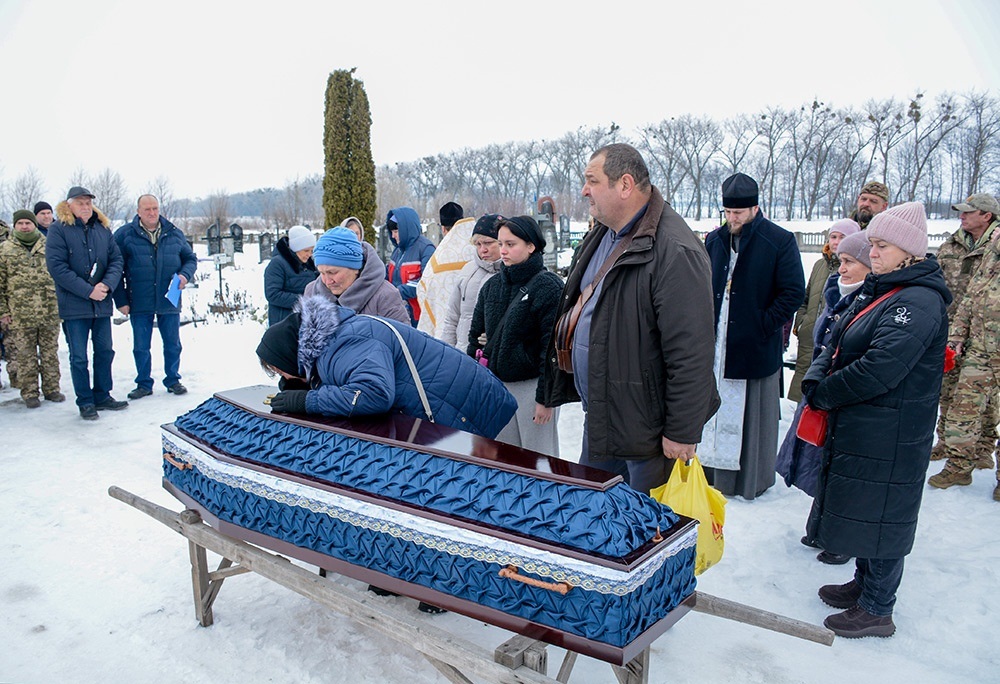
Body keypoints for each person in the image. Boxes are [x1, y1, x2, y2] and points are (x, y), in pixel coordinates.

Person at [802, 202, 949, 638]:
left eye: (882, 245)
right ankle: (865, 584)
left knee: (886, 513)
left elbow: (880, 368)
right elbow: (837, 333)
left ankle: (878, 608)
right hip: (870, 424)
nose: (874, 252)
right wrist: (817, 374)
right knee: (869, 507)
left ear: (907, 251)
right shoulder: (886, 288)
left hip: (894, 428)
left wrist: (825, 392)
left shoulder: (918, 299)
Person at [543, 143, 719, 494]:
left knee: (642, 535)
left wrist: (682, 431)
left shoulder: (674, 250)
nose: (583, 190)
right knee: (596, 518)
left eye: (591, 180)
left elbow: (691, 352)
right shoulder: (604, 234)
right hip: (606, 419)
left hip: (647, 436)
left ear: (625, 185)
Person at [256, 294, 517, 439]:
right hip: (463, 397)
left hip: (469, 406)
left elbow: (373, 394)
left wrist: (306, 401)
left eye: (280, 370)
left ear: (292, 354)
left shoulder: (344, 343)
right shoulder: (334, 338)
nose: (282, 377)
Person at [701, 173, 805, 499]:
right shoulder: (714, 240)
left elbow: (793, 292)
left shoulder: (779, 240)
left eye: (740, 213)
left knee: (748, 417)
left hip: (754, 345)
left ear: (756, 208)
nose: (733, 219)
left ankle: (748, 482)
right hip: (717, 346)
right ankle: (709, 473)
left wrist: (763, 323)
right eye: (729, 212)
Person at [776, 230, 872, 564]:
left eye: (849, 262)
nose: (841, 268)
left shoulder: (869, 302)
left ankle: (841, 539)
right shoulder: (839, 292)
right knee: (818, 463)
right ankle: (822, 527)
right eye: (840, 261)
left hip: (842, 396)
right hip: (822, 391)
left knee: (840, 467)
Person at [468, 216, 563, 456]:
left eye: (511, 244)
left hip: (532, 388)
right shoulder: (491, 286)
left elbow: (550, 349)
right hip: (497, 388)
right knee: (503, 462)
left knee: (540, 463)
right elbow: (474, 337)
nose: (503, 250)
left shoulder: (548, 287)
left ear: (531, 246)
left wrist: (545, 398)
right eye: (501, 244)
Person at [928, 196, 1000, 497]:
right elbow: (970, 297)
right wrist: (956, 334)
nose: (962, 217)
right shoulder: (990, 255)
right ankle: (959, 466)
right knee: (961, 409)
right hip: (979, 347)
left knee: (990, 411)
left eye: (969, 213)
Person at [45, 186, 127, 420]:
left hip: (101, 304)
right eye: (80, 202)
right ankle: (85, 401)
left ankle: (102, 395)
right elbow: (57, 267)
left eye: (88, 202)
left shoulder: (102, 229)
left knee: (104, 351)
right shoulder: (58, 230)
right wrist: (87, 290)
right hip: (74, 306)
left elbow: (115, 259)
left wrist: (106, 286)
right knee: (79, 356)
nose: (85, 207)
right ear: (69, 204)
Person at [113, 195, 198, 399]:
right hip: (139, 300)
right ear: (138, 211)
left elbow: (190, 259)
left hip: (169, 298)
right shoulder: (125, 235)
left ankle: (173, 379)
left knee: (172, 343)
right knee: (141, 346)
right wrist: (121, 300)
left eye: (155, 208)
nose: (152, 213)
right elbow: (116, 268)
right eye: (147, 209)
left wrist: (185, 275)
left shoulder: (174, 233)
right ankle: (143, 383)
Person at [788, 219, 861, 402]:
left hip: (833, 336)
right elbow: (806, 297)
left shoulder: (856, 268)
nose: (836, 242)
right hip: (809, 333)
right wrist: (802, 322)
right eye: (833, 237)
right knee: (804, 379)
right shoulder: (820, 265)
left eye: (842, 237)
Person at [0, 210, 63, 407]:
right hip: (20, 314)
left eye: (28, 223)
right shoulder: (5, 250)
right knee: (25, 356)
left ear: (34, 224)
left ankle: (52, 389)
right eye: (21, 223)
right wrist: (4, 312)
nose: (25, 226)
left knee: (50, 354)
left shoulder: (48, 245)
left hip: (49, 311)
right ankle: (30, 393)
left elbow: (60, 276)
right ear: (15, 226)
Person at [303, 227, 409, 323]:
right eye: (322, 272)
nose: (327, 281)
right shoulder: (311, 291)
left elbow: (404, 341)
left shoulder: (385, 296)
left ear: (355, 268)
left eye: (332, 272)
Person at [440, 214, 503, 348]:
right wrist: (448, 351)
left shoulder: (510, 273)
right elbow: (452, 318)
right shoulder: (468, 271)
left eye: (488, 243)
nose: (482, 250)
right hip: (463, 352)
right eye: (478, 244)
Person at [416, 203, 475, 337]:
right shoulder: (478, 247)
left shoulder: (439, 257)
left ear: (443, 229)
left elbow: (423, 289)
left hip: (445, 325)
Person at [385, 207, 435, 327]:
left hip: (418, 316)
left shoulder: (426, 249)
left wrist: (398, 292)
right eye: (391, 232)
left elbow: (427, 281)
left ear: (406, 229)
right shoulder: (397, 251)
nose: (393, 235)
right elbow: (388, 276)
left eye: (396, 231)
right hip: (396, 312)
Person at [264, 225, 317, 326]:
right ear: (295, 248)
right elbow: (273, 294)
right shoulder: (277, 264)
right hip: (283, 322)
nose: (309, 254)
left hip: (303, 320)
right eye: (306, 250)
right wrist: (304, 300)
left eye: (311, 250)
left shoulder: (308, 264)